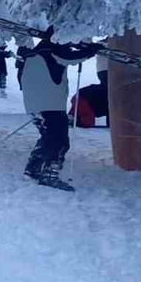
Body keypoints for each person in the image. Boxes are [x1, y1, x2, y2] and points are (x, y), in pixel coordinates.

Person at [16, 29, 100, 191]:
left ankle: (33, 169)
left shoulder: (34, 53)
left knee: (47, 138)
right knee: (60, 141)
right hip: (51, 105)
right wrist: (92, 50)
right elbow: (71, 58)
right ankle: (50, 174)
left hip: (34, 106)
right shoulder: (53, 51)